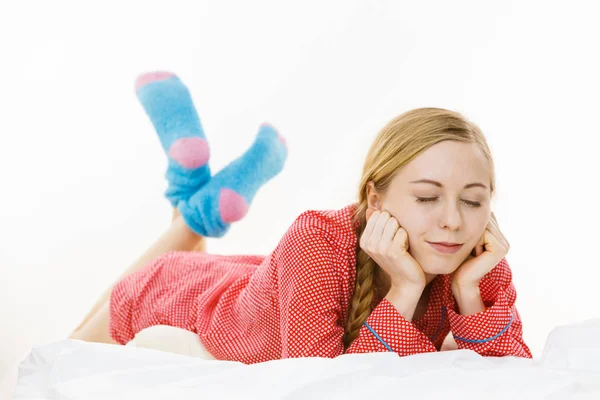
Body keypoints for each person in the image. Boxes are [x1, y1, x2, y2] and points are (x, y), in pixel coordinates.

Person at [69, 72, 532, 364]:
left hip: (259, 285)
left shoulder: (474, 256)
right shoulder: (317, 240)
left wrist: (470, 293)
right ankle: (191, 208)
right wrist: (406, 288)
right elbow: (323, 387)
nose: (454, 220)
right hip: (183, 297)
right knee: (58, 354)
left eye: (474, 200)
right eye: (428, 198)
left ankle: (192, 196)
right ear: (376, 199)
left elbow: (512, 364)